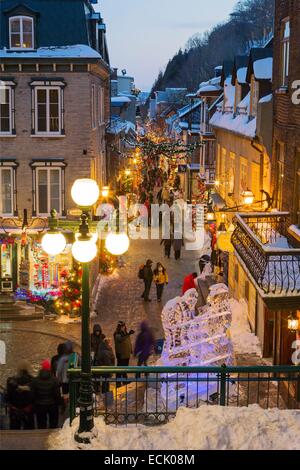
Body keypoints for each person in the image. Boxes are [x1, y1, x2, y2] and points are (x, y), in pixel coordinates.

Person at [32, 360, 63, 429]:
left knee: (41, 424)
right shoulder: (54, 380)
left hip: (39, 405)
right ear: (50, 368)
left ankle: (41, 437)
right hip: (52, 405)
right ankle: (51, 437)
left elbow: (33, 394)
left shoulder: (35, 380)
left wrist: (34, 404)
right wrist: (60, 403)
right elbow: (57, 394)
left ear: (42, 368)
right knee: (53, 424)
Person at [6, 361, 34, 430]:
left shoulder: (10, 380)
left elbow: (8, 395)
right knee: (29, 430)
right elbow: (34, 395)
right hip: (28, 409)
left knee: (14, 431)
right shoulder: (33, 380)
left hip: (14, 409)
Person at [114, 321, 134, 386]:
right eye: (122, 326)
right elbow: (120, 339)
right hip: (121, 354)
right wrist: (128, 334)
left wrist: (130, 350)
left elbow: (128, 342)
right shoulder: (117, 334)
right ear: (119, 327)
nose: (123, 327)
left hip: (126, 354)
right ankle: (118, 382)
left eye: (124, 326)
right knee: (120, 368)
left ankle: (125, 380)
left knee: (125, 368)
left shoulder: (125, 333)